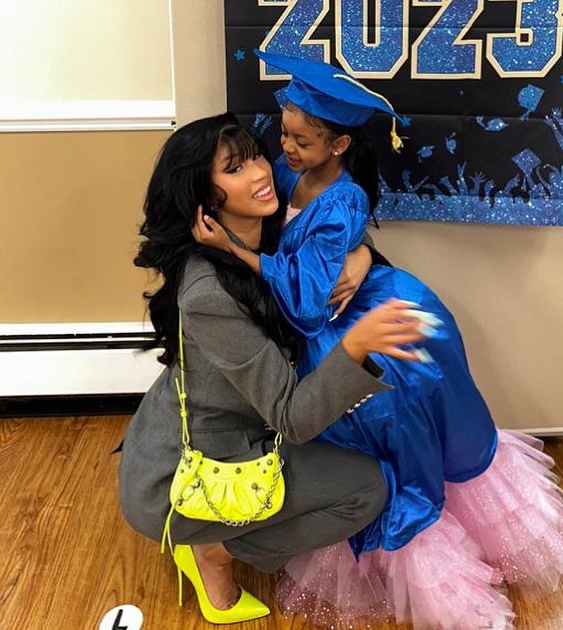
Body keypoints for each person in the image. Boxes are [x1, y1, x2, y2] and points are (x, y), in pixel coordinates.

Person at [194, 51, 563, 628]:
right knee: (371, 421)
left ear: (339, 145)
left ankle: (419, 516)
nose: (284, 149)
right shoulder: (290, 174)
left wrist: (237, 251)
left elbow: (308, 300)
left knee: (400, 409)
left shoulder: (343, 201)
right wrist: (356, 253)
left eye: (300, 141)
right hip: (340, 309)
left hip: (351, 313)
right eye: (284, 135)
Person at [119, 112, 428, 625]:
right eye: (235, 169)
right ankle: (214, 552)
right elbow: (291, 415)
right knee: (366, 489)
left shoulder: (265, 230)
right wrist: (357, 346)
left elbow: (324, 242)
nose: (262, 172)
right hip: (191, 475)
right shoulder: (208, 292)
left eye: (256, 156)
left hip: (248, 425)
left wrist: (361, 256)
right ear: (204, 198)